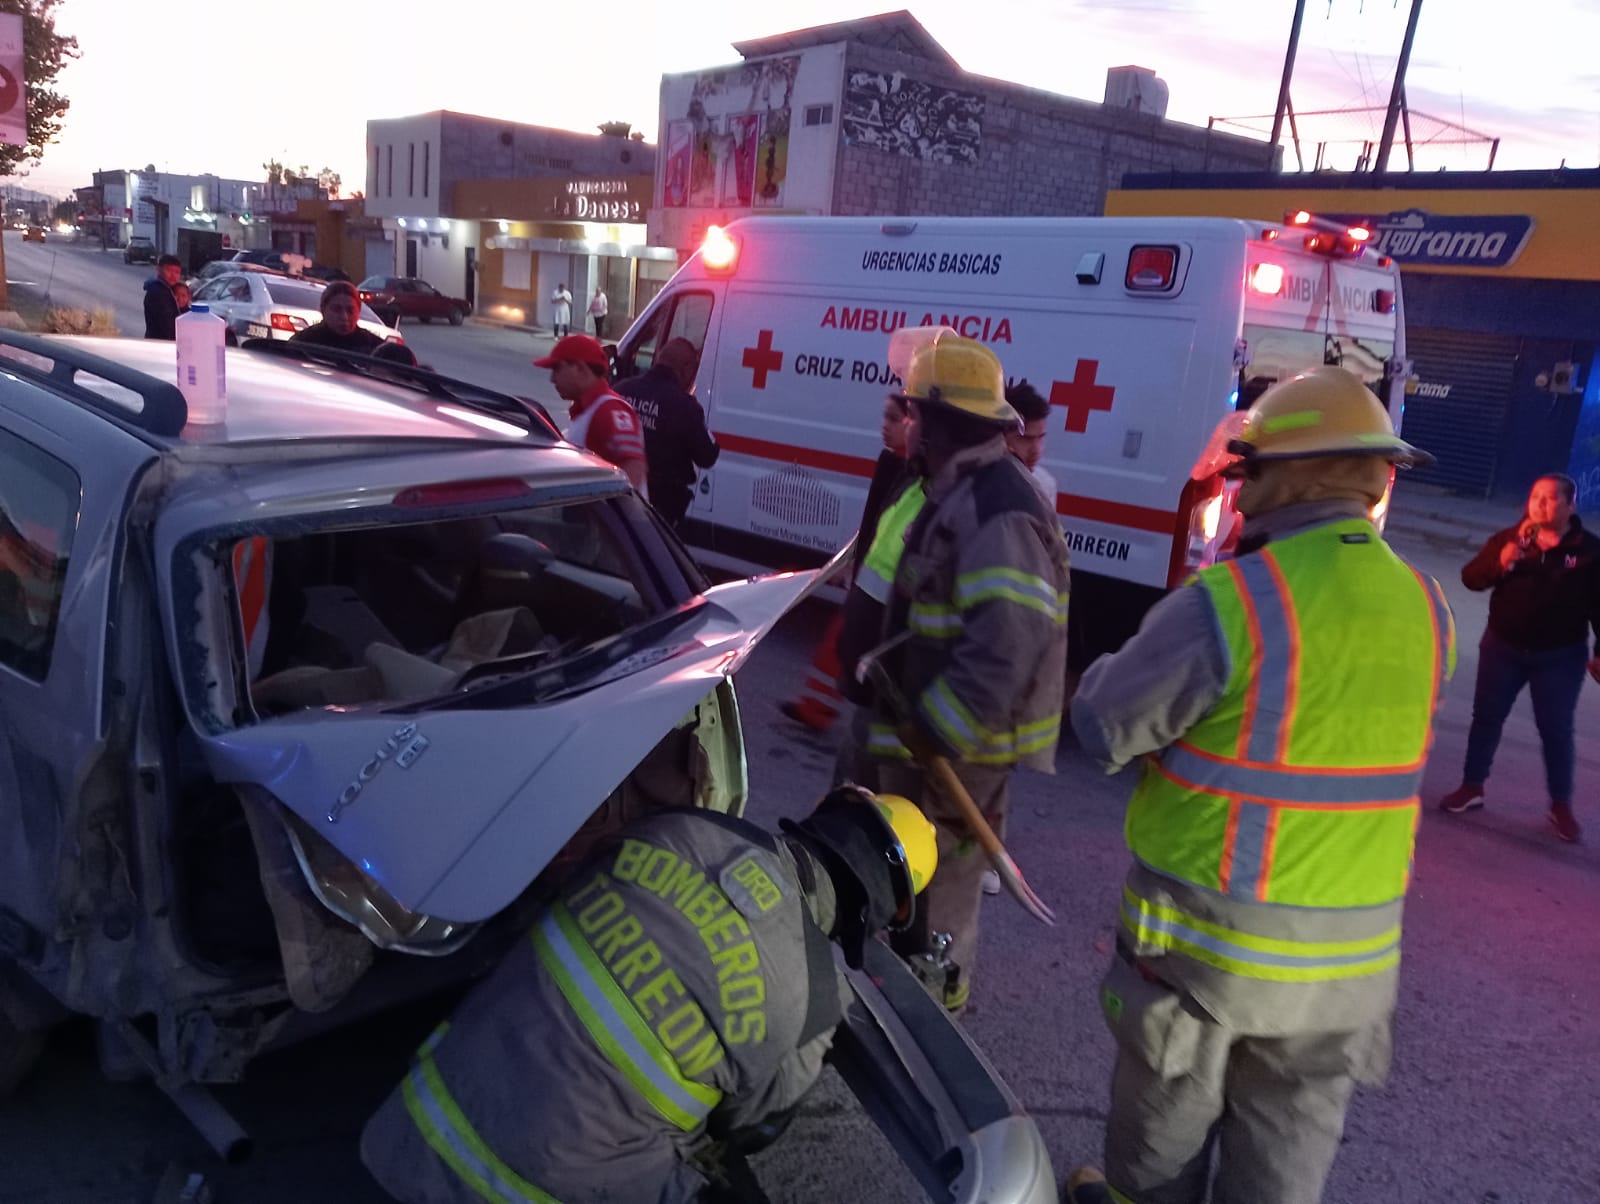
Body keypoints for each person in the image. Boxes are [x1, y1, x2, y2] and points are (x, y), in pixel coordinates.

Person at [1064, 366, 1456, 1204]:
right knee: (1281, 1178)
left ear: (1289, 474)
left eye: (1246, 474)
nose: (1236, 494)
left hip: (1208, 965)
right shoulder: (1427, 605)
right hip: (1346, 974)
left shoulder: (1234, 601)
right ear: (1375, 476)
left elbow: (1100, 727)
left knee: (1155, 1170)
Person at [360, 786, 938, 1204]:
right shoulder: (815, 1002)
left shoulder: (680, 826)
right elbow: (752, 1130)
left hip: (414, 1120)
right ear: (879, 912)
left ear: (824, 814)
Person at [860, 326, 1072, 1015]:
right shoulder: (956, 489)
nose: (907, 422)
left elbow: (1007, 643)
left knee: (943, 882)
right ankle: (905, 985)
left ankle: (931, 1009)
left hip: (959, 751)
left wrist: (936, 731)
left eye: (915, 411)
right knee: (913, 870)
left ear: (940, 420)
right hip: (933, 736)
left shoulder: (996, 508)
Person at [1438, 472, 1600, 843]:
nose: (1540, 504)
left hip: (1560, 656)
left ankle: (1561, 806)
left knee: (1556, 729)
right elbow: (1470, 579)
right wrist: (1502, 561)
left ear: (1570, 505)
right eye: (1535, 497)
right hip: (1503, 647)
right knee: (1486, 719)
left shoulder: (1589, 551)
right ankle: (1472, 786)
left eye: (1550, 498)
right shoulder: (1510, 540)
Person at [781, 393, 914, 736]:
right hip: (873, 574)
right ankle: (816, 707)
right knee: (841, 640)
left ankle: (822, 709)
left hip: (885, 582)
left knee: (852, 643)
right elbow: (876, 520)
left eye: (894, 420)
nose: (885, 427)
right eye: (884, 418)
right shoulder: (895, 462)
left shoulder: (911, 469)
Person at [616, 337, 720, 528]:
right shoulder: (684, 407)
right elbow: (707, 457)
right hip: (662, 508)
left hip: (618, 499)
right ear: (687, 369)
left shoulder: (621, 391)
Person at [534, 333, 649, 497]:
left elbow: (634, 468)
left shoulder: (610, 410)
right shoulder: (588, 408)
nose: (552, 379)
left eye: (557, 369)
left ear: (580, 368)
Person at [289, 281, 387, 353]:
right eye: (336, 309)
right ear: (323, 310)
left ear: (359, 311)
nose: (344, 317)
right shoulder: (303, 342)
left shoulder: (375, 347)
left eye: (350, 310)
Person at [1004, 380, 1056, 503]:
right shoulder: (974, 485)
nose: (1036, 450)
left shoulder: (1044, 485)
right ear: (1001, 436)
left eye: (1041, 437)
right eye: (1026, 439)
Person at [143, 254, 183, 340]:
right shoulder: (158, 293)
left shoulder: (170, 290)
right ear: (158, 269)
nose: (173, 275)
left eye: (177, 272)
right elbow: (168, 326)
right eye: (168, 270)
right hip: (160, 344)